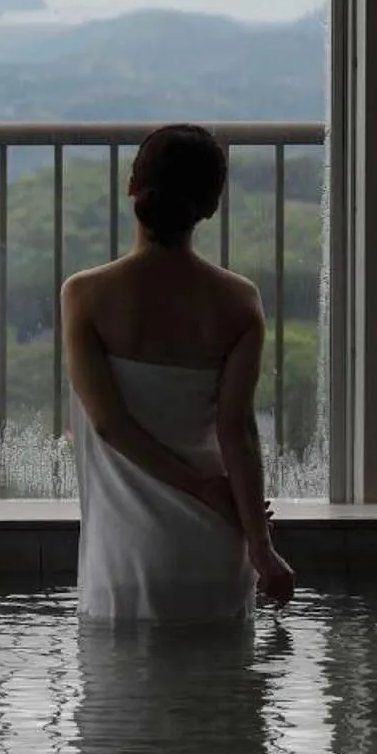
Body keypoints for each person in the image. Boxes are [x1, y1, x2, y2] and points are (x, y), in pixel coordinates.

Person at [61, 124, 295, 622]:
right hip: (216, 548)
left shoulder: (85, 296)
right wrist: (262, 547)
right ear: (210, 207)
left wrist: (199, 486)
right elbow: (237, 431)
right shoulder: (239, 302)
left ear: (132, 188)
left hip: (127, 557)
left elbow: (109, 424)